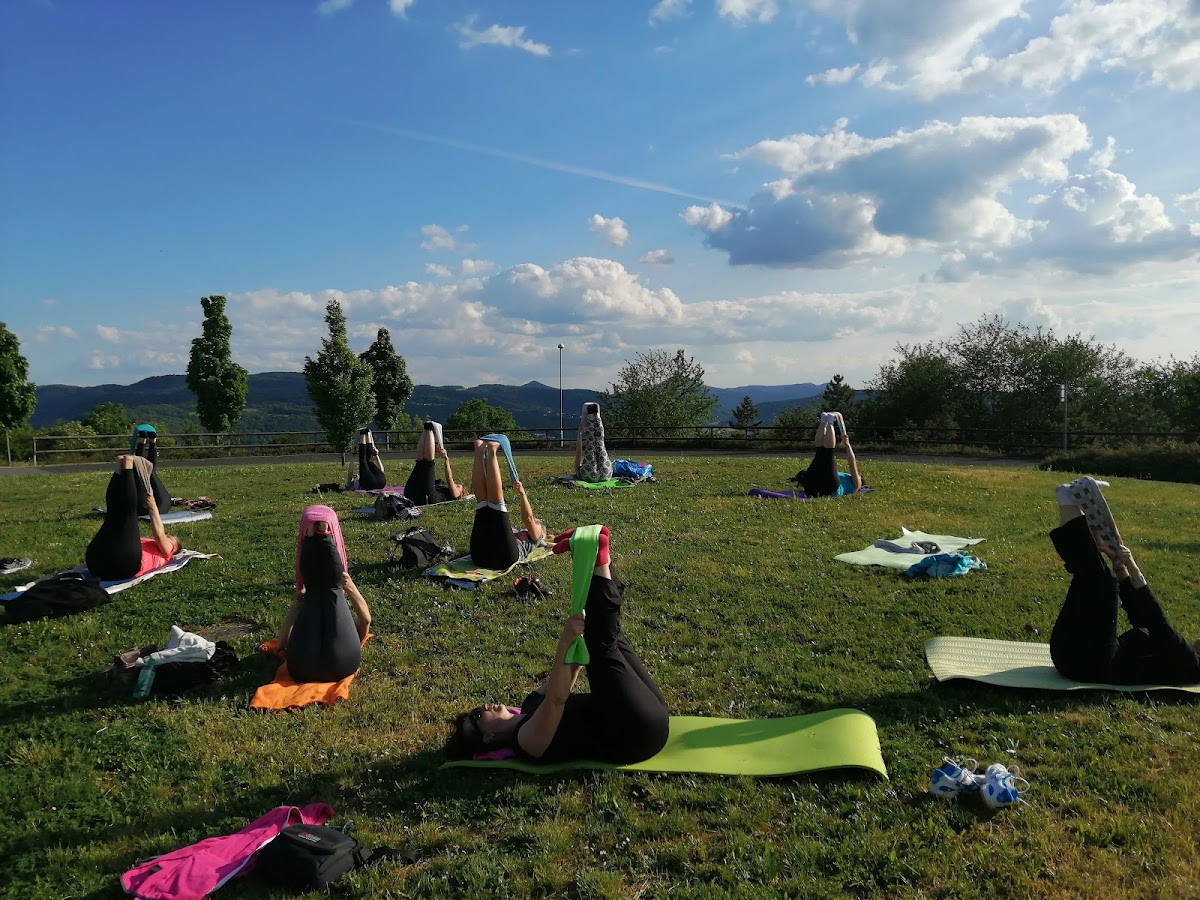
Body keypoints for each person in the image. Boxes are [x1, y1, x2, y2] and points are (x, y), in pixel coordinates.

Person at [448, 526, 669, 765]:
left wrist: (582, 565)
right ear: (488, 737)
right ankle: (600, 560)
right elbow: (557, 697)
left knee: (611, 637)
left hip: (649, 710)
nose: (483, 706)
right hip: (637, 735)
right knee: (601, 647)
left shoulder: (530, 705)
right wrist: (567, 642)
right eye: (477, 715)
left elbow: (562, 674)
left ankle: (600, 560)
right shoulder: (526, 743)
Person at [1049, 477, 1200, 685]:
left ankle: (1068, 500)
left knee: (1100, 581)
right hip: (1072, 656)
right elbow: (1140, 613)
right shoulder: (1183, 657)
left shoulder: (1191, 664)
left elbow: (1157, 620)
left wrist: (1133, 565)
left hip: (1086, 666)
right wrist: (1120, 567)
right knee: (1096, 576)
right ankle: (1069, 502)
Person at [276, 505, 371, 684]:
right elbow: (365, 620)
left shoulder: (304, 607)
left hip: (301, 666)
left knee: (327, 587)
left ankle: (314, 534)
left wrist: (296, 605)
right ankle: (321, 534)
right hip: (343, 664)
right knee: (333, 587)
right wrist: (351, 589)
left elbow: (281, 644)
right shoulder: (348, 624)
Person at [86, 455, 180, 581]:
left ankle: (126, 467)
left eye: (171, 538)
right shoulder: (142, 542)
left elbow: (160, 535)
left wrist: (153, 508)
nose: (169, 536)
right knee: (115, 514)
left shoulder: (169, 552)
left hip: (121, 566)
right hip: (98, 564)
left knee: (126, 515)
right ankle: (120, 468)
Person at [468, 438, 545, 570]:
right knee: (483, 503)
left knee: (491, 504)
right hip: (480, 556)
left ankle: (489, 451)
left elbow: (528, 519)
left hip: (500, 557)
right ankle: (480, 451)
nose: (537, 521)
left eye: (539, 523)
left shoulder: (537, 537)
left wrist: (522, 494)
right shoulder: (516, 532)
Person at [794, 411, 862, 497]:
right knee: (821, 451)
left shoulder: (858, 485)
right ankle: (826, 422)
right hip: (812, 486)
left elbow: (852, 464)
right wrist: (846, 444)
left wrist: (847, 444)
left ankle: (827, 422)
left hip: (827, 487)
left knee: (825, 452)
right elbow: (851, 464)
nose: (858, 475)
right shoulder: (850, 481)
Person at [403, 420, 466, 505]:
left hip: (427, 497)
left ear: (462, 494)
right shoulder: (442, 489)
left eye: (458, 487)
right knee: (420, 461)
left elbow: (449, 478)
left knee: (428, 463)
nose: (455, 485)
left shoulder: (457, 496)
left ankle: (429, 429)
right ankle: (426, 429)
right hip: (416, 494)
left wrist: (446, 458)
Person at [132, 425, 172, 516]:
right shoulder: (161, 506)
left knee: (143, 472)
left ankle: (146, 442)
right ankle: (149, 442)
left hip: (153, 507)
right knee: (149, 472)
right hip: (160, 506)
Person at [575, 402, 613, 483]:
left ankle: (596, 416)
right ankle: (594, 416)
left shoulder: (579, 471)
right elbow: (578, 453)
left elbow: (579, 452)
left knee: (599, 442)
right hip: (600, 475)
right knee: (595, 443)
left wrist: (579, 433)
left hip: (600, 474)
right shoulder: (578, 470)